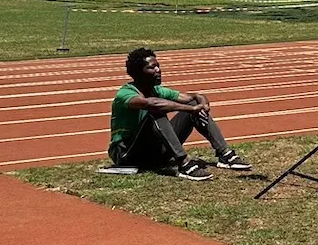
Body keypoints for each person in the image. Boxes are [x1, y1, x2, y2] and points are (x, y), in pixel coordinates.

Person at [108, 47, 253, 180]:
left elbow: (192, 97)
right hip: (126, 155)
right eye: (151, 67)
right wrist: (191, 109)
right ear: (138, 73)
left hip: (155, 153)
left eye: (158, 66)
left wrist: (202, 102)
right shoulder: (125, 93)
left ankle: (225, 154)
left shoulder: (156, 90)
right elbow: (152, 103)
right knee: (156, 111)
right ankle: (183, 164)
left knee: (192, 105)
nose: (158, 70)